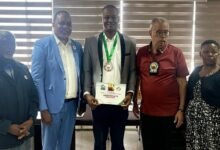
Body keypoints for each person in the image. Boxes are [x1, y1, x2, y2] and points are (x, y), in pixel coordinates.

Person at [83, 5, 136, 150]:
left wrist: (130, 94)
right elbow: (87, 70)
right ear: (102, 19)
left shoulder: (130, 42)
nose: (110, 20)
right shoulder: (91, 42)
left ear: (119, 19)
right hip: (98, 102)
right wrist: (87, 94)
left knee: (118, 143)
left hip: (121, 102)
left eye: (114, 17)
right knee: (99, 143)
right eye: (106, 17)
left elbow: (132, 71)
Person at [133, 17, 189, 150]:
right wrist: (134, 102)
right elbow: (137, 79)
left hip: (170, 114)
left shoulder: (176, 53)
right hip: (147, 114)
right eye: (159, 32)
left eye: (166, 32)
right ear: (150, 33)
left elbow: (182, 83)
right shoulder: (141, 53)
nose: (163, 37)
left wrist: (181, 110)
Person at [31, 10, 83, 150]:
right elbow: (37, 79)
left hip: (71, 106)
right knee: (49, 146)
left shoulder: (77, 47)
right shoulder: (42, 46)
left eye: (68, 24)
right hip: (51, 108)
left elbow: (80, 74)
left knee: (65, 146)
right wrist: (43, 109)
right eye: (61, 23)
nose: (65, 26)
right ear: (53, 24)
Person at [0, 31, 39, 150]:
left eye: (12, 43)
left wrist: (31, 120)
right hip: (3, 140)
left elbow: (34, 98)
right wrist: (6, 127)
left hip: (25, 136)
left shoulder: (23, 69)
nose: (9, 47)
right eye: (4, 43)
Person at [185, 40, 220, 150]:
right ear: (200, 54)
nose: (210, 54)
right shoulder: (196, 71)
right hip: (193, 123)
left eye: (213, 52)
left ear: (218, 53)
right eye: (206, 51)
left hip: (213, 124)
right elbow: (188, 93)